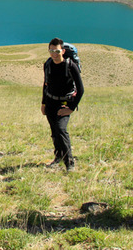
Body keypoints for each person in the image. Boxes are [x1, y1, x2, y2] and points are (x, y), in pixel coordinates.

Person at [41, 38, 84, 172]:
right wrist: (43, 103)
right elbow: (45, 84)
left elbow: (81, 89)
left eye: (57, 51)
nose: (54, 54)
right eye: (51, 51)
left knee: (61, 130)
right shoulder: (48, 64)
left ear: (63, 51)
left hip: (64, 104)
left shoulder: (70, 66)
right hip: (50, 102)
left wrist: (71, 108)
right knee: (55, 132)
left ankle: (69, 163)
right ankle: (58, 157)